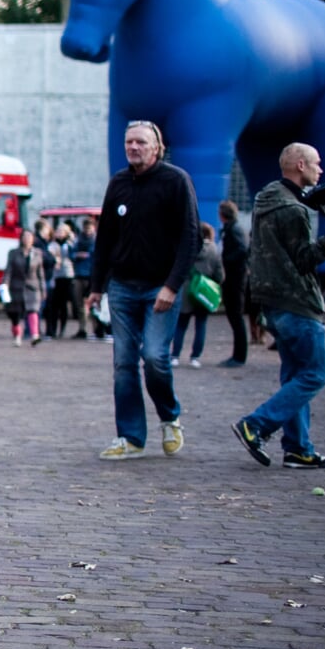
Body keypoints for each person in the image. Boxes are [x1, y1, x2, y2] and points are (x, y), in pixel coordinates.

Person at [233, 143, 325, 469]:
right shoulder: (295, 211)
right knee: (315, 375)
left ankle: (297, 448)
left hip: (270, 301)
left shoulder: (266, 198)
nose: (321, 171)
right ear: (301, 166)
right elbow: (306, 259)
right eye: (317, 164)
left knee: (295, 375)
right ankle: (257, 425)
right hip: (296, 301)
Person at [85, 120, 198, 461]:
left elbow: (190, 237)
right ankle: (131, 436)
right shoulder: (118, 183)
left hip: (159, 288)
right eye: (129, 142)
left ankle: (169, 417)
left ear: (156, 147)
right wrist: (96, 287)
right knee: (123, 363)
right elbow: (104, 239)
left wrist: (172, 286)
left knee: (154, 357)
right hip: (121, 286)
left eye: (140, 142)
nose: (133, 147)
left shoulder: (176, 181)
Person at [170, 222, 223, 368]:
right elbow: (220, 275)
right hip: (203, 292)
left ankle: (175, 355)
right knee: (201, 325)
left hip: (186, 291)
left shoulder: (188, 248)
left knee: (181, 325)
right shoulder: (214, 250)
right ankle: (195, 357)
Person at [218, 200, 250, 367]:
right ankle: (238, 355)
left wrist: (226, 260)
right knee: (234, 316)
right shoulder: (233, 228)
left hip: (235, 277)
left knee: (236, 316)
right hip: (233, 276)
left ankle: (239, 356)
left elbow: (242, 250)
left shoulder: (234, 229)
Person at [3, 228, 46, 346]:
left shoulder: (37, 253)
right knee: (16, 314)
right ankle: (17, 336)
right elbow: (8, 271)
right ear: (21, 238)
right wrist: (5, 283)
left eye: (29, 237)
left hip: (32, 287)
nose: (27, 239)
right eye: (25, 237)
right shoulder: (13, 253)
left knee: (33, 311)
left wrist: (43, 289)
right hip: (16, 287)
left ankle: (35, 335)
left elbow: (40, 273)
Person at [71, 216, 102, 339]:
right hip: (79, 275)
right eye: (85, 228)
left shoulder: (97, 241)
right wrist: (77, 255)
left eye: (89, 228)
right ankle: (82, 329)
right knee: (79, 305)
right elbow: (71, 254)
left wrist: (86, 255)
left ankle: (97, 329)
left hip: (91, 276)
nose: (87, 230)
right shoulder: (78, 240)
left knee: (94, 304)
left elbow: (97, 256)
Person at [44, 225, 76, 338]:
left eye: (62, 231)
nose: (60, 233)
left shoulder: (70, 244)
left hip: (67, 275)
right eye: (58, 231)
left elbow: (74, 256)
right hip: (55, 276)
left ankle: (62, 329)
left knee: (63, 304)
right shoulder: (52, 245)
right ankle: (52, 329)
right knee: (53, 304)